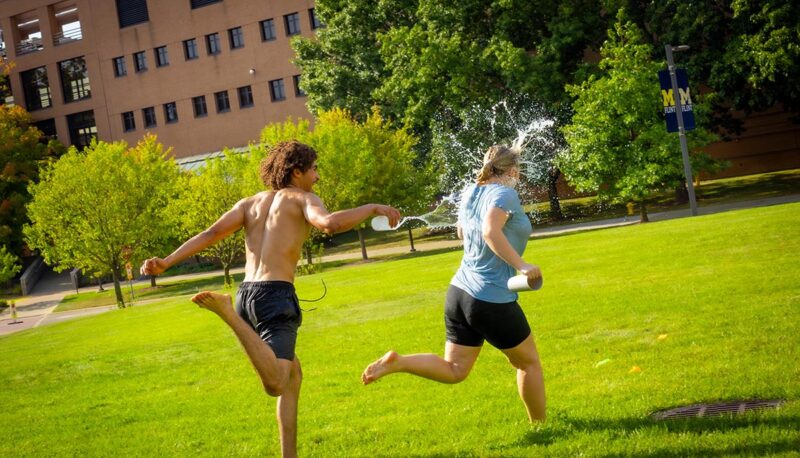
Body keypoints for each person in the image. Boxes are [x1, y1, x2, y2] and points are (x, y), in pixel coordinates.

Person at [140, 140, 400, 457]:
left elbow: (210, 235)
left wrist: (166, 262)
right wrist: (373, 207)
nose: (317, 177)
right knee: (277, 382)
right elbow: (329, 224)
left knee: (292, 376)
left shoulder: (249, 203)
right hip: (275, 297)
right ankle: (226, 314)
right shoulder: (303, 198)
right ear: (297, 171)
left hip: (247, 293)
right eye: (314, 169)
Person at [361, 144, 546, 422]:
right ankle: (540, 425)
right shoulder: (505, 194)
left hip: (459, 293)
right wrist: (522, 265)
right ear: (511, 170)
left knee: (455, 369)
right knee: (528, 362)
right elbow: (488, 231)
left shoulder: (471, 192)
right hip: (489, 299)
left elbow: (463, 231)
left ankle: (398, 362)